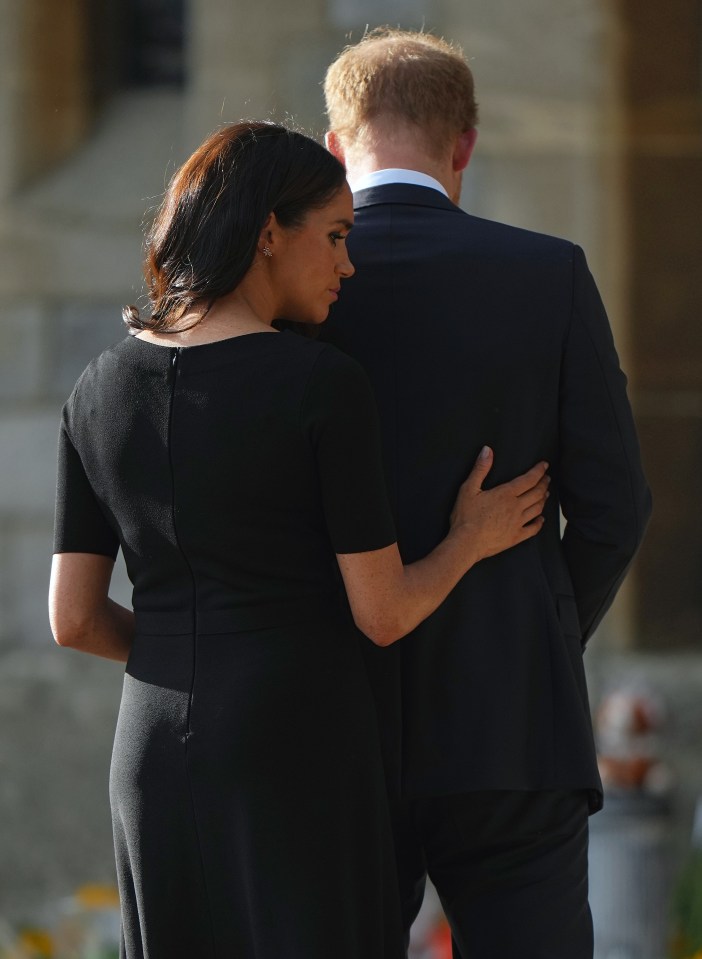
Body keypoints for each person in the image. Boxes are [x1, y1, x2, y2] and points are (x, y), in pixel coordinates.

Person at [48, 120, 550, 959]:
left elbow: (74, 619)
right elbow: (383, 612)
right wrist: (470, 536)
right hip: (298, 746)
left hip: (147, 751)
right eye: (336, 236)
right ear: (268, 231)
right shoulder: (319, 385)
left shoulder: (97, 388)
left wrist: (187, 653)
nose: (347, 264)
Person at [322, 29, 653, 959]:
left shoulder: (295, 290)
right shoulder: (548, 275)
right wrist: (541, 628)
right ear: (465, 143)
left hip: (339, 714)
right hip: (511, 717)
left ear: (337, 146)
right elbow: (615, 504)